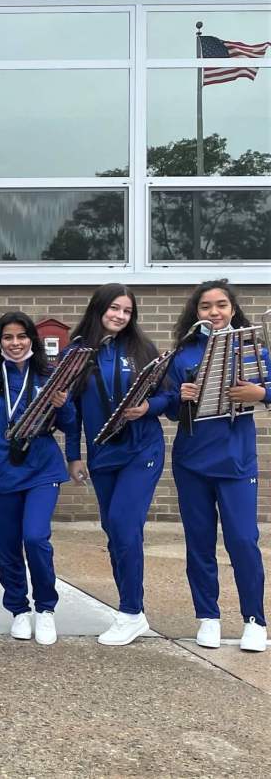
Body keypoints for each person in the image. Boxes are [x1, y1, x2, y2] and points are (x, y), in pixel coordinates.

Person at [148, 279, 269, 653]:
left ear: (233, 309)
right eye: (205, 306)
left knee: (243, 540)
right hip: (192, 462)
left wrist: (261, 393)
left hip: (236, 461)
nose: (213, 312)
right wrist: (178, 397)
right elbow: (167, 407)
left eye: (221, 305)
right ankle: (208, 617)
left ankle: (254, 621)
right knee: (199, 542)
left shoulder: (254, 349)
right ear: (195, 313)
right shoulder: (183, 353)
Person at [64, 285, 163, 646]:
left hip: (143, 450)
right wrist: (73, 455)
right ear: (99, 309)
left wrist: (148, 408)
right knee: (115, 531)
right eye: (114, 308)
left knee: (123, 524)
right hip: (102, 455)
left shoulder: (141, 349)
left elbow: (166, 396)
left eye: (127, 310)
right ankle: (131, 611)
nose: (120, 316)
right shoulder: (76, 351)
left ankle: (131, 611)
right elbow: (70, 410)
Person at [0, 311, 75, 646]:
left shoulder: (49, 374)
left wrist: (65, 405)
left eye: (21, 336)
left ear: (32, 339)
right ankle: (18, 609)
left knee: (35, 538)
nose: (15, 344)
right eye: (7, 337)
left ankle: (45, 608)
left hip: (43, 469)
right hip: (4, 470)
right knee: (9, 546)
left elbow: (70, 425)